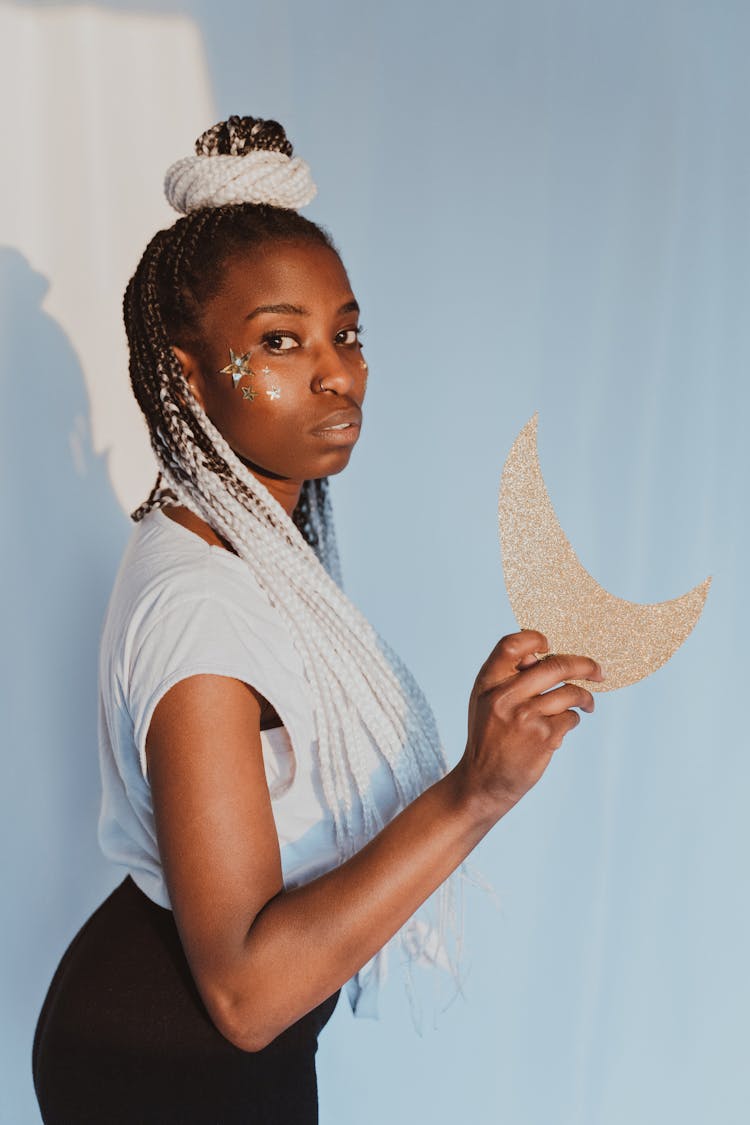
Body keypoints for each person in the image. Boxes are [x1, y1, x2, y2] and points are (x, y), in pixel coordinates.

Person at [32, 115, 603, 1124]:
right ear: (185, 373)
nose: (338, 371)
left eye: (346, 332)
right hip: (165, 1078)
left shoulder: (242, 546)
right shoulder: (196, 613)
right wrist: (474, 790)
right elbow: (247, 996)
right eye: (280, 341)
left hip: (206, 1061)